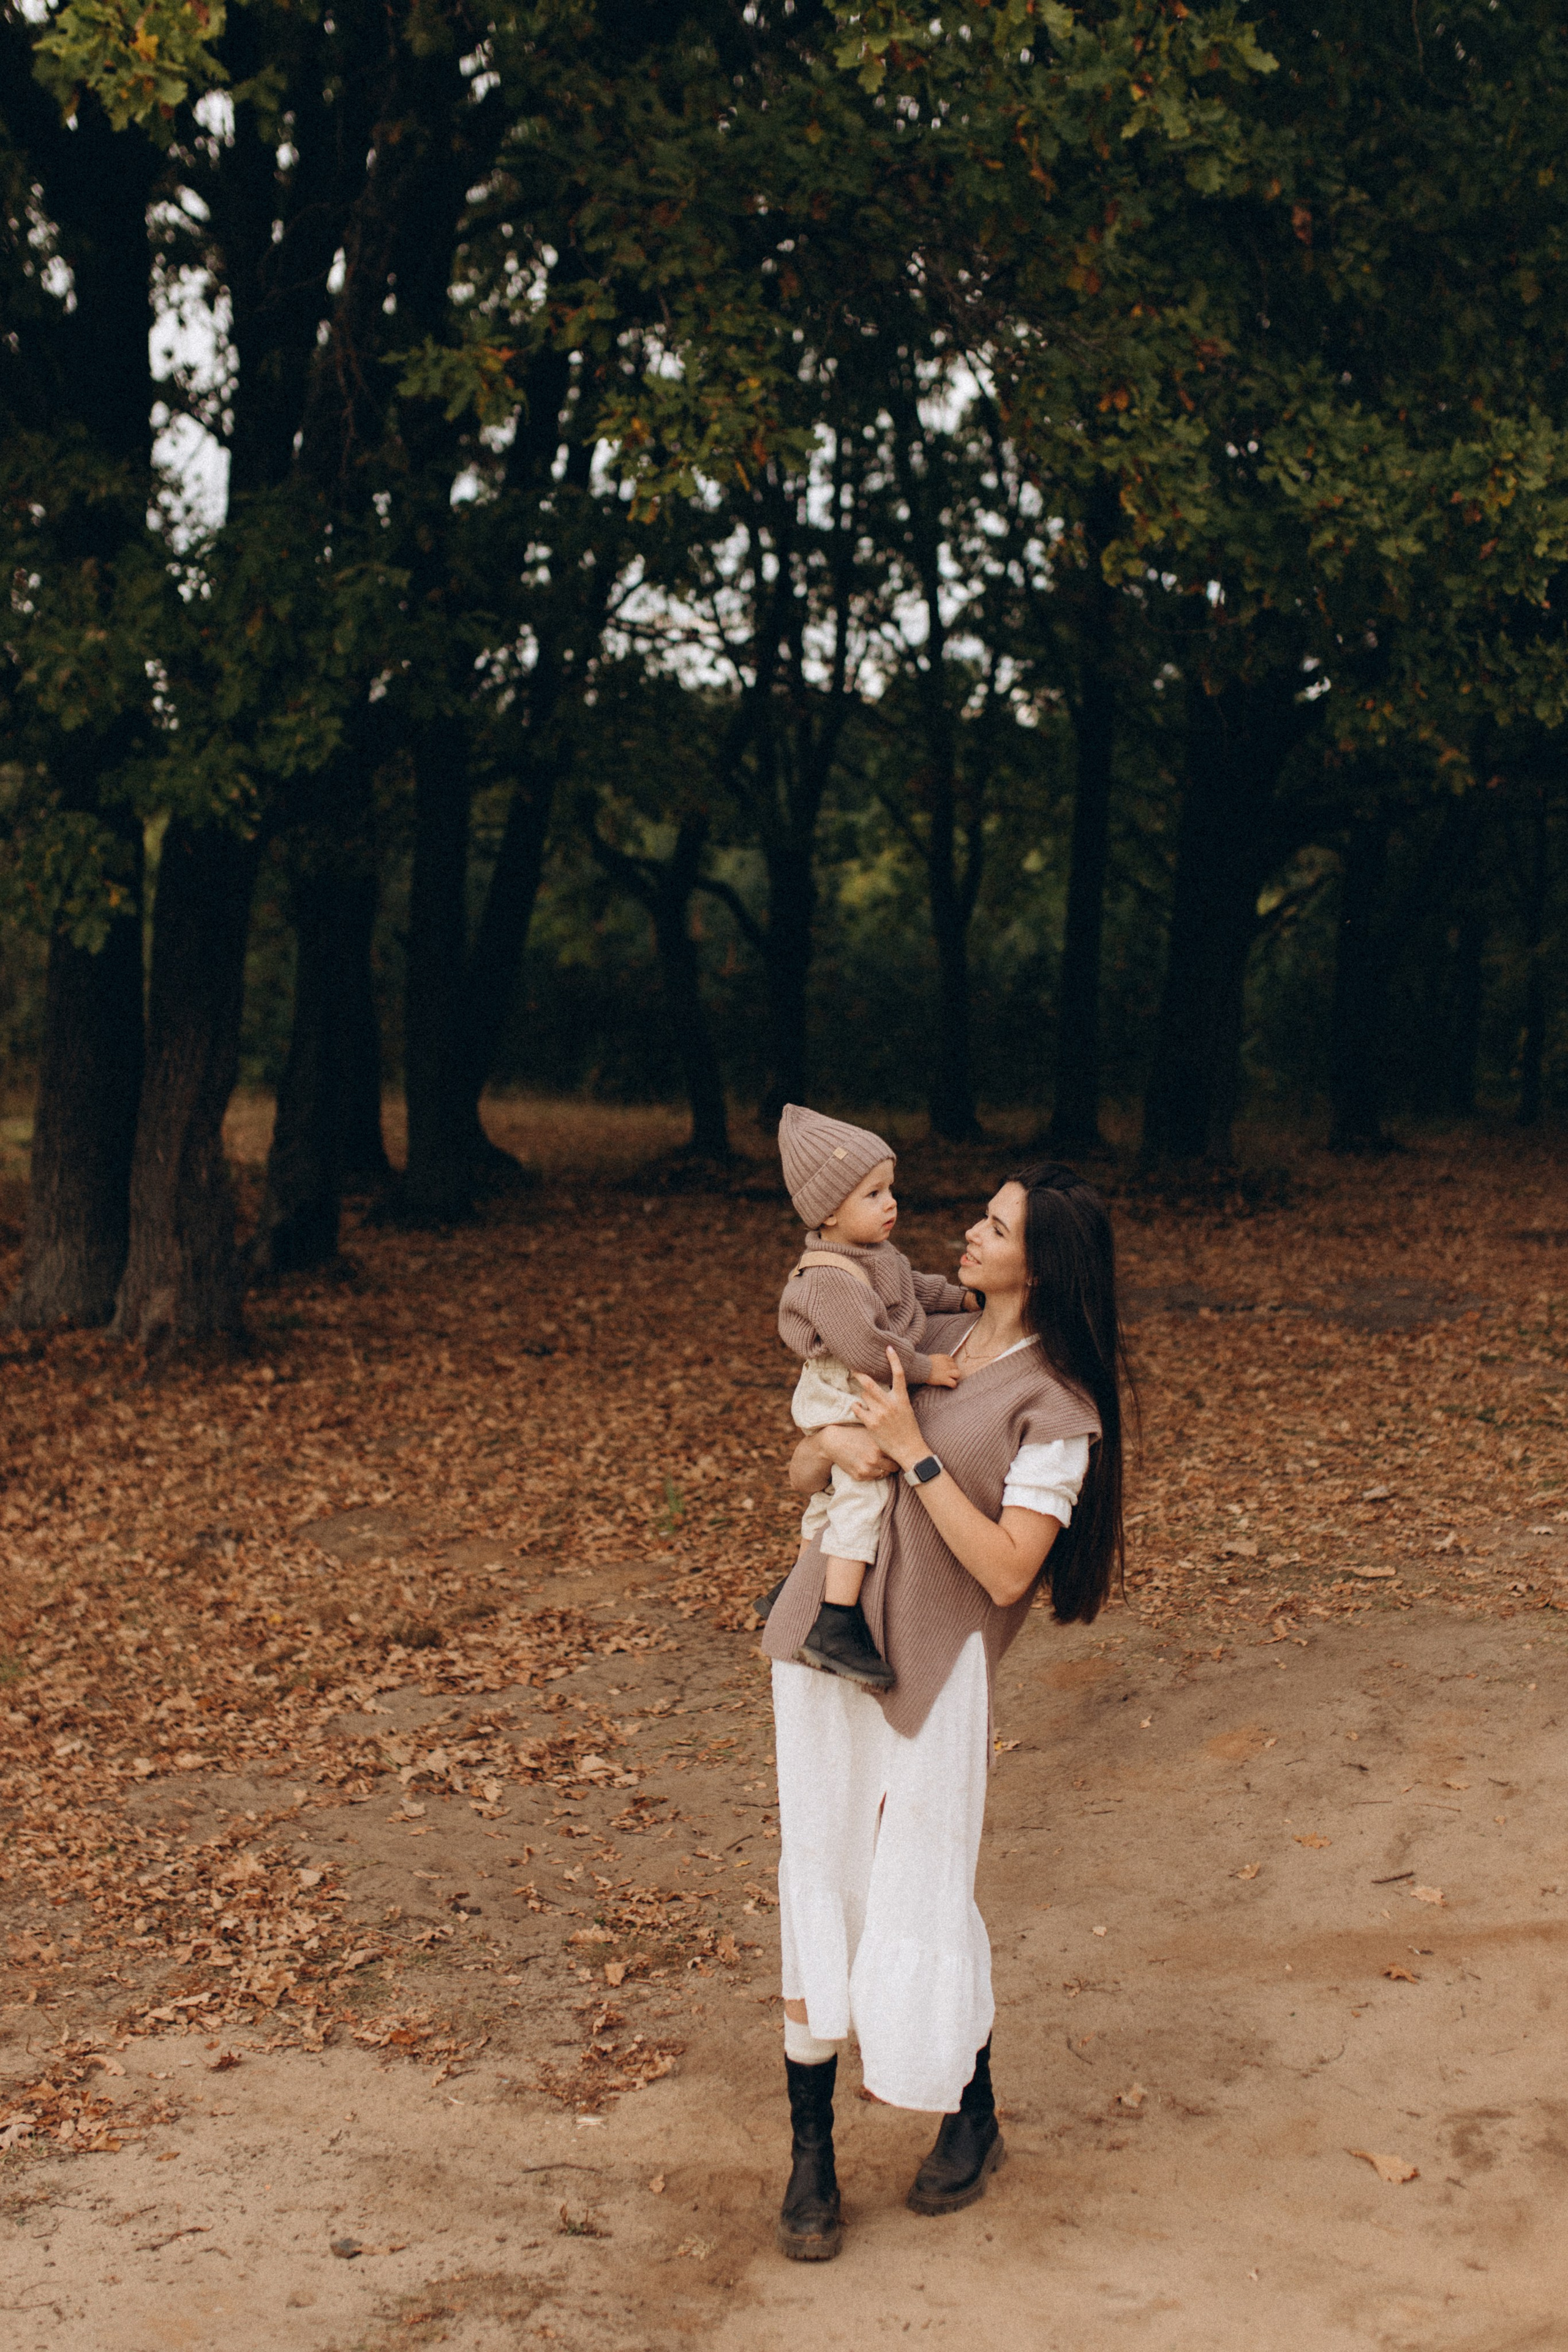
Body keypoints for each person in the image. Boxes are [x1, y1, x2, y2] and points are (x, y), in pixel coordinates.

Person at [758, 1162, 1129, 2260]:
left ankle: (970, 2109)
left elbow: (1013, 1571)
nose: (966, 1232)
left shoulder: (1055, 1406)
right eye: (978, 1216)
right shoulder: (915, 1321)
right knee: (819, 1872)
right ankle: (811, 2159)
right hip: (821, 1650)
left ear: (1042, 1261)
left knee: (919, 1882)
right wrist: (831, 1445)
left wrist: (917, 1453)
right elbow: (802, 1472)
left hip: (936, 1666)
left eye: (995, 1225)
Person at [772, 1104, 973, 1687]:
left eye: (891, 1189)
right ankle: (835, 1621)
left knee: (831, 1499)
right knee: (863, 1496)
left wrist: (962, 1301)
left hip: (852, 1383)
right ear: (829, 1211)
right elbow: (863, 1348)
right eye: (873, 1194)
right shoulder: (830, 1278)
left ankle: (798, 1586)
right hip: (843, 1386)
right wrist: (923, 1367)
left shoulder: (877, 1256)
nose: (891, 1204)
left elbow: (914, 1290)